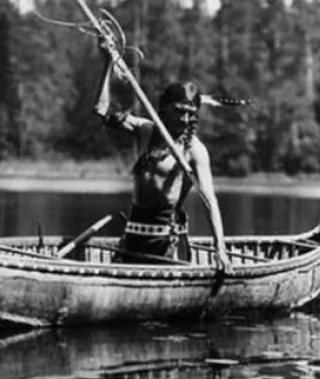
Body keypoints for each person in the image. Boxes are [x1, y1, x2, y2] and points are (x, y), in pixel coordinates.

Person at [93, 37, 231, 272]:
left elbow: (210, 201)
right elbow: (100, 109)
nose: (184, 119)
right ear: (164, 110)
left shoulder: (193, 150)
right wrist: (107, 62)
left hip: (167, 241)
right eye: (179, 111)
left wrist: (221, 249)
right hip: (133, 234)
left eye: (190, 113)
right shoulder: (145, 131)